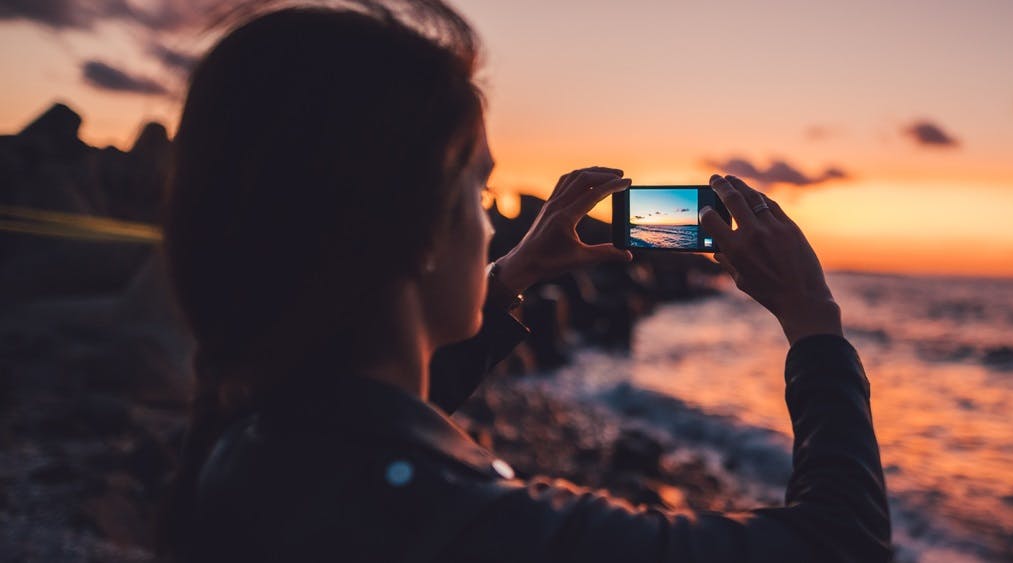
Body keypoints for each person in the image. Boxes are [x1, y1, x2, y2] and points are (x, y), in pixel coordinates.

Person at [156, 2, 891, 561]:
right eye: (480, 195)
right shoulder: (473, 524)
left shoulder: (253, 437)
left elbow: (367, 407)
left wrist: (513, 276)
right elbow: (840, 542)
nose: (492, 228)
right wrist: (814, 324)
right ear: (415, 230)